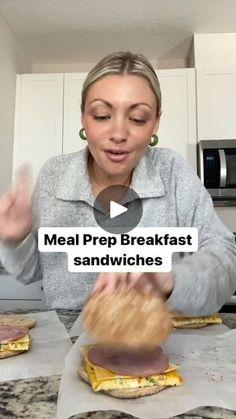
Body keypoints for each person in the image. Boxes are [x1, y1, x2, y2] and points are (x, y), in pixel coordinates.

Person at [0, 51, 235, 313]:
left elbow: (225, 260)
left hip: (157, 342)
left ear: (155, 123)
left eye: (137, 118)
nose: (119, 134)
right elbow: (30, 271)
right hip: (65, 342)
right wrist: (17, 239)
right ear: (83, 118)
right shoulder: (54, 175)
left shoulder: (171, 171)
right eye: (102, 115)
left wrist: (168, 279)